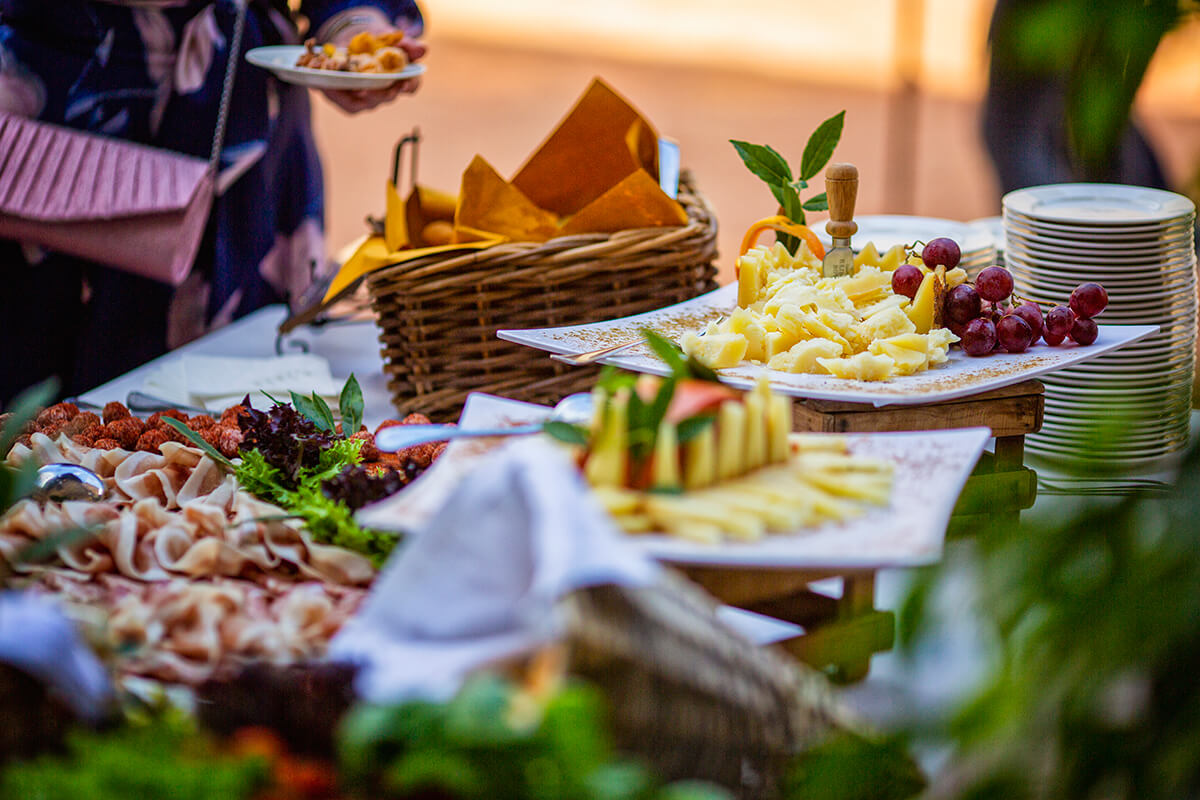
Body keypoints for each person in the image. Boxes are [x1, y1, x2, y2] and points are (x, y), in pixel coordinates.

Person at [0, 0, 425, 406]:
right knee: (25, 413)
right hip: (43, 116)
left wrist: (349, 29)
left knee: (244, 420)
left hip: (243, 131)